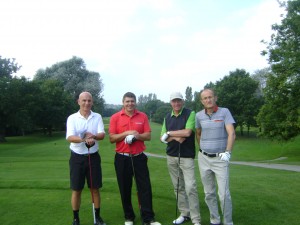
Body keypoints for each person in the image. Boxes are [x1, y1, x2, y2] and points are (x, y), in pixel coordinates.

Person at [109, 92, 161, 225]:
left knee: (144, 188)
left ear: (135, 102)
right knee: (125, 188)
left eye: (132, 101)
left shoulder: (142, 116)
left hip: (139, 157)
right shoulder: (115, 117)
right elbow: (112, 138)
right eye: (127, 101)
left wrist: (137, 135)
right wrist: (126, 133)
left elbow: (148, 136)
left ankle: (148, 218)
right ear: (123, 102)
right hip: (122, 158)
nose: (130, 104)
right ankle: (129, 217)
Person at [195, 88, 236, 225]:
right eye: (205, 98)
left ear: (215, 98)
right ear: (202, 101)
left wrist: (228, 152)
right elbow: (198, 133)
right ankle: (215, 219)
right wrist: (202, 149)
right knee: (209, 193)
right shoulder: (199, 115)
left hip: (221, 158)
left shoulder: (225, 112)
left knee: (224, 194)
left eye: (210, 97)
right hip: (204, 158)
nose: (208, 100)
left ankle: (228, 222)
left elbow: (231, 133)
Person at [160, 92, 201, 225]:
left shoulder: (190, 113)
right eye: (174, 101)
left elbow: (188, 132)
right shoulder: (167, 116)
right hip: (171, 156)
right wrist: (176, 136)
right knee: (178, 187)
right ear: (170, 103)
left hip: (186, 156)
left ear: (182, 101)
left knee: (191, 187)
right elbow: (162, 138)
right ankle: (184, 213)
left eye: (178, 101)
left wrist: (169, 134)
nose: (176, 103)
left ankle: (196, 220)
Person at [66, 91, 106, 225]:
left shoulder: (97, 116)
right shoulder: (72, 118)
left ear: (92, 102)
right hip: (77, 157)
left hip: (93, 156)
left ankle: (98, 217)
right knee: (76, 189)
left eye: (89, 100)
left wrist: (92, 136)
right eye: (84, 100)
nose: (86, 103)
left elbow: (101, 134)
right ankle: (76, 219)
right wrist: (84, 139)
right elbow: (70, 137)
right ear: (78, 102)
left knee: (95, 188)